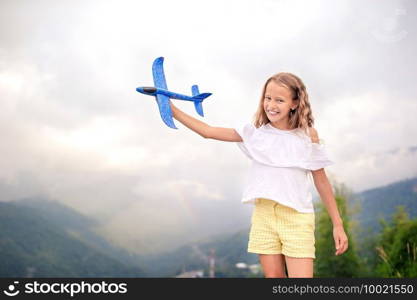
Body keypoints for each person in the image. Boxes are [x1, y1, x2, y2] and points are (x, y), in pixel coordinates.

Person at [169, 72, 348, 278]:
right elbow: (208, 131)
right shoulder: (255, 134)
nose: (271, 105)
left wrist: (337, 224)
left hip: (296, 217)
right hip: (264, 215)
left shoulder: (307, 136)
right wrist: (173, 110)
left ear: (294, 103)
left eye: (279, 100)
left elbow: (321, 181)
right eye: (268, 98)